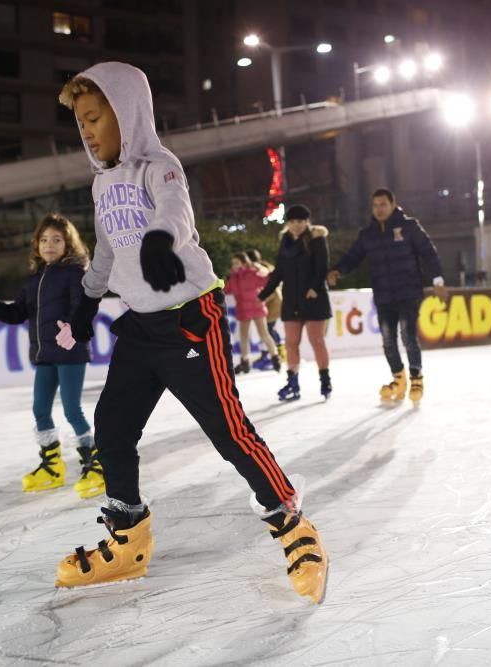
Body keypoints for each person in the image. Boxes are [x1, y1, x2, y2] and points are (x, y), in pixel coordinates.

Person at [52, 62, 327, 603]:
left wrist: (158, 240)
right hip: (139, 324)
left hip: (188, 317)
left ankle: (295, 527)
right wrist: (86, 298)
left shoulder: (161, 165)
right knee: (111, 427)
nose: (85, 129)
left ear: (126, 113)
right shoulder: (102, 181)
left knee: (228, 430)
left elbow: (176, 212)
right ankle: (128, 539)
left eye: (93, 116)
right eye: (79, 121)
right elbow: (107, 250)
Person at [0, 213, 102, 498]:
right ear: (36, 245)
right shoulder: (34, 280)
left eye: (56, 239)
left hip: (69, 352)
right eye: (44, 240)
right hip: (44, 355)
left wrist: (73, 328)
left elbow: (83, 306)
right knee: (40, 409)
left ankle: (95, 462)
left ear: (69, 244)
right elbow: (18, 313)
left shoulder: (75, 273)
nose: (49, 245)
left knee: (71, 409)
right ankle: (52, 465)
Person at [327, 188, 446, 404]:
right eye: (375, 205)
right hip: (384, 295)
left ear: (393, 204)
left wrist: (437, 280)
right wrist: (338, 270)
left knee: (408, 335)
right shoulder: (368, 235)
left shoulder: (409, 227)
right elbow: (353, 257)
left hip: (409, 292)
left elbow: (429, 253)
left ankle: (416, 377)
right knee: (388, 339)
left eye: (383, 204)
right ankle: (398, 379)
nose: (379, 209)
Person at [258, 204, 333, 401]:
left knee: (317, 341)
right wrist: (263, 294)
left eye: (300, 221)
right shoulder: (286, 241)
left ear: (307, 221)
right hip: (292, 299)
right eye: (291, 222)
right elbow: (279, 272)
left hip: (313, 298)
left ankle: (325, 379)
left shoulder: (316, 239)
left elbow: (322, 266)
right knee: (291, 343)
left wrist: (315, 288)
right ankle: (293, 382)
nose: (296, 225)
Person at [223, 251, 280, 374]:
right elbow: (226, 290)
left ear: (244, 263)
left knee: (264, 334)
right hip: (243, 309)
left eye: (237, 263)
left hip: (256, 307)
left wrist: (266, 270)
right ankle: (245, 361)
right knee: (243, 336)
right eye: (233, 263)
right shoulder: (234, 278)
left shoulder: (253, 273)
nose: (235, 265)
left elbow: (267, 281)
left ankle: (275, 357)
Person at [247, 248, 285, 367]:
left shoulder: (261, 269)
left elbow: (271, 287)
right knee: (269, 329)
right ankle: (276, 353)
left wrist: (261, 299)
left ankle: (273, 355)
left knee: (267, 329)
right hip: (271, 302)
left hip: (272, 302)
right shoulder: (264, 267)